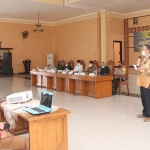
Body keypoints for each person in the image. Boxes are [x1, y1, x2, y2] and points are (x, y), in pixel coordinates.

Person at [136, 44, 150, 122]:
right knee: (143, 97)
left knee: (148, 98)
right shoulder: (145, 58)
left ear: (148, 50)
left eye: (144, 49)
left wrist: (142, 69)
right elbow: (142, 66)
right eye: (142, 49)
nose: (143, 51)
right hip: (142, 80)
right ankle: (145, 112)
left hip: (148, 81)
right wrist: (138, 67)